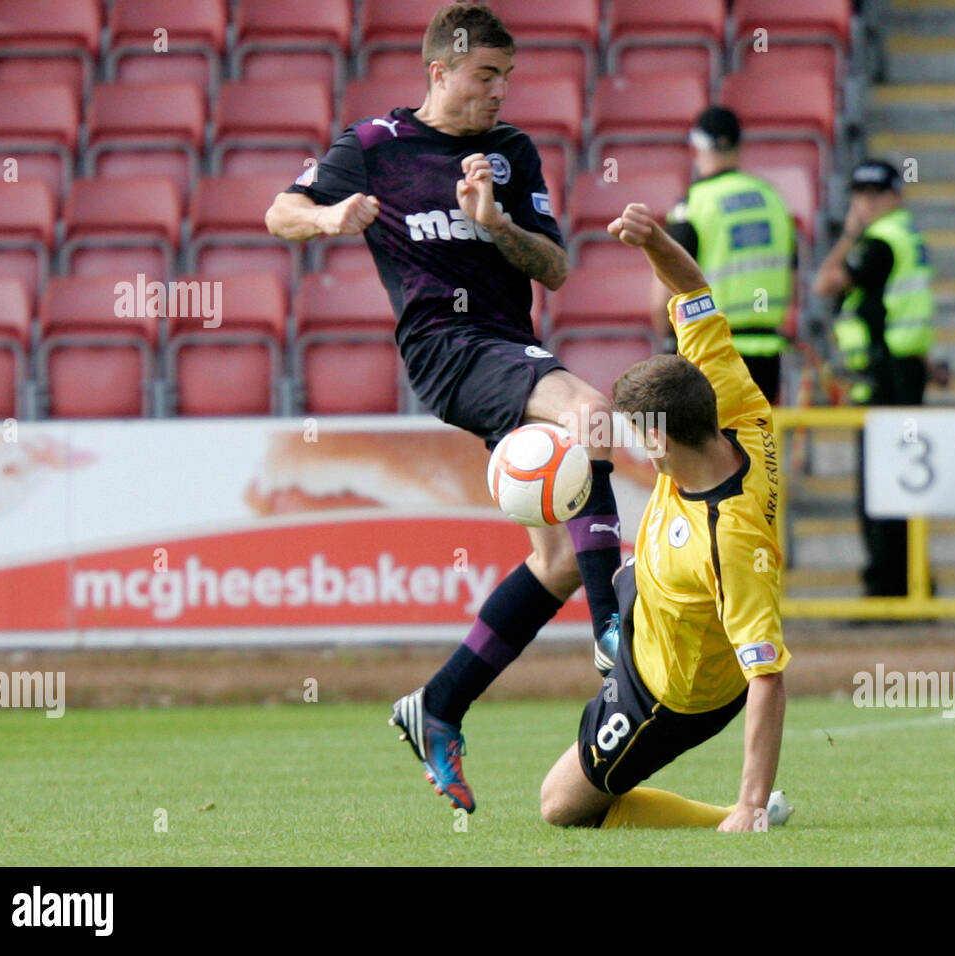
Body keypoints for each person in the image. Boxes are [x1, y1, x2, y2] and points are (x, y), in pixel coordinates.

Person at [264, 1, 624, 814]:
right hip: (445, 346)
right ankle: (615, 632)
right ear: (441, 70)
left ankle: (439, 705)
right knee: (591, 412)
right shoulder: (375, 147)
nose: (500, 91)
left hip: (506, 344)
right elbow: (277, 212)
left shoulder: (510, 153)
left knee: (559, 557)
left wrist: (494, 224)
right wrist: (328, 217)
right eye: (485, 75)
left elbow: (556, 270)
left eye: (507, 76)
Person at [539, 203, 792, 832]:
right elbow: (693, 288)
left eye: (638, 435)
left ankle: (738, 816)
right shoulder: (735, 404)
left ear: (661, 442)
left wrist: (751, 803)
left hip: (673, 689)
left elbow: (768, 677)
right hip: (651, 602)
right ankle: (614, 637)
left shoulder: (730, 542)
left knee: (562, 805)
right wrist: (653, 240)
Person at [812, 159, 937, 598]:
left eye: (873, 195)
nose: (864, 204)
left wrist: (848, 235)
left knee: (881, 490)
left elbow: (824, 283)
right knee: (901, 486)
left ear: (893, 196)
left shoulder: (881, 242)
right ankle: (915, 583)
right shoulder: (908, 236)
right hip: (905, 371)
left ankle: (887, 588)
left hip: (886, 379)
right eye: (858, 195)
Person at [651, 106, 798, 405]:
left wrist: (669, 342)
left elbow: (661, 294)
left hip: (711, 352)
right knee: (757, 448)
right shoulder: (773, 199)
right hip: (767, 354)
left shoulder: (694, 203)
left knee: (711, 448)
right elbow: (792, 283)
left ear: (696, 147)